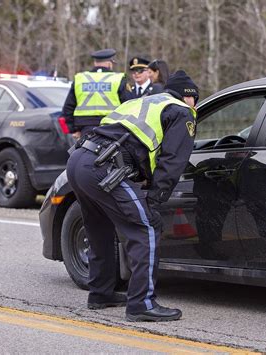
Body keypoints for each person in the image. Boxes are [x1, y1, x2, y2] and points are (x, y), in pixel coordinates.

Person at [66, 70, 199, 322]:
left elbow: (131, 140)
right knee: (146, 226)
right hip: (103, 167)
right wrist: (155, 198)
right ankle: (142, 303)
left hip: (79, 160)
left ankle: (100, 293)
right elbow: (173, 160)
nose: (196, 106)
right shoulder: (182, 111)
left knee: (99, 229)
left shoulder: (142, 101)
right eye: (196, 100)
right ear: (188, 97)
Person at [62, 48, 131, 139]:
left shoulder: (80, 79)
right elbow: (128, 105)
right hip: (111, 127)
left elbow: (68, 107)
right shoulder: (118, 79)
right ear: (109, 63)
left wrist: (73, 129)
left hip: (85, 128)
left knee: (86, 152)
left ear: (95, 63)